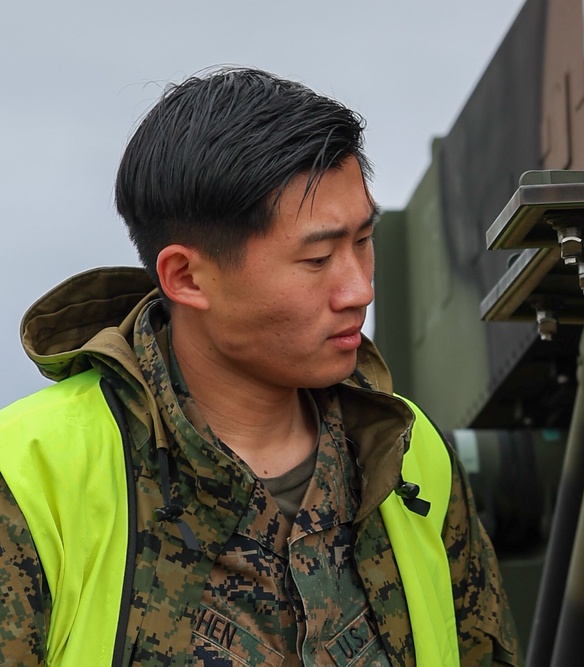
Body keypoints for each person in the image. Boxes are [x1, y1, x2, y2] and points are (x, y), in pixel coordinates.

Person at [0, 67, 518, 666]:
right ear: (187, 277)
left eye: (363, 241)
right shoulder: (30, 477)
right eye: (318, 257)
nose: (358, 289)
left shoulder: (409, 455)